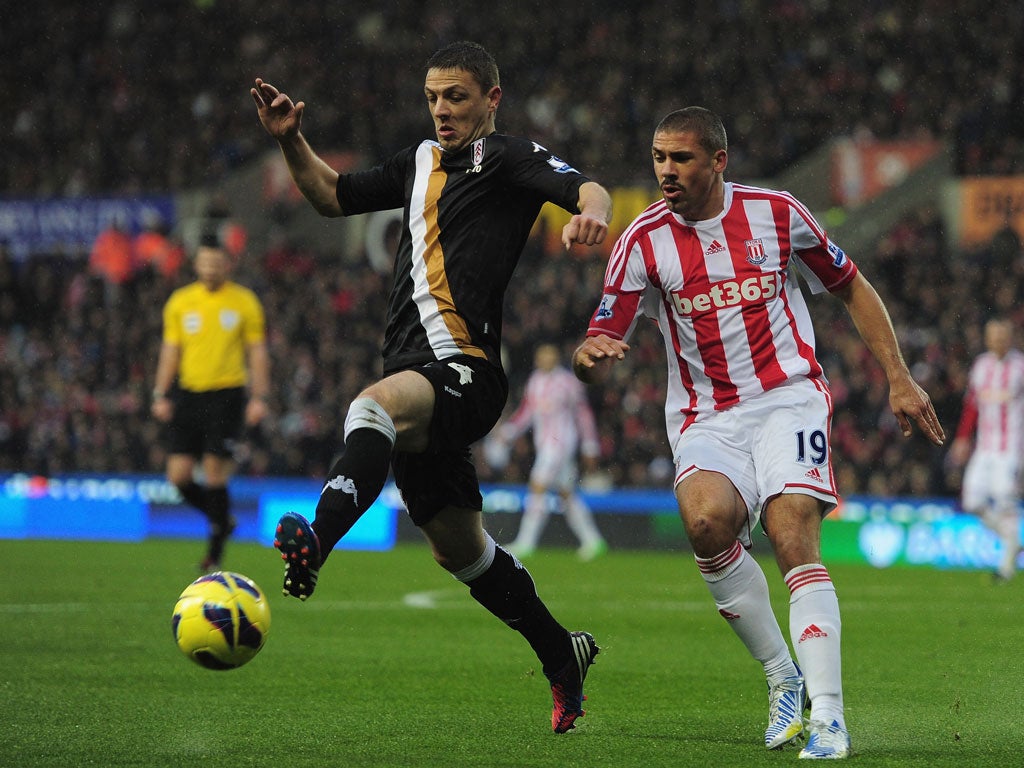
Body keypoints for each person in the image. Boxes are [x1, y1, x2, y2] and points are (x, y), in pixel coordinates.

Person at [250, 41, 612, 733]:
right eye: (434, 98)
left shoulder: (505, 158)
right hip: (419, 375)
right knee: (462, 552)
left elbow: (584, 186)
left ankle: (316, 542)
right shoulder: (418, 162)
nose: (442, 110)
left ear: (491, 99)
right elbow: (331, 195)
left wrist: (589, 212)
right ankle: (562, 653)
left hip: (468, 370)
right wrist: (292, 141)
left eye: (457, 97)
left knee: (371, 405)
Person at [572, 107, 946, 759]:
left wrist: (899, 376)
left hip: (786, 398)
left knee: (791, 527)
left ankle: (828, 716)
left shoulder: (777, 214)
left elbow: (852, 287)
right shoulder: (642, 240)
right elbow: (607, 330)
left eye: (680, 158)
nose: (666, 171)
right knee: (706, 525)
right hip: (703, 415)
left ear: (719, 161)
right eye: (658, 157)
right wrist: (591, 357)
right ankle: (782, 678)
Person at [151, 230, 270, 571]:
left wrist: (259, 397)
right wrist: (160, 393)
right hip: (189, 394)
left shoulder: (244, 301)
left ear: (227, 264)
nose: (211, 268)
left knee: (215, 470)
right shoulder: (180, 302)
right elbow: (170, 351)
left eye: (217, 262)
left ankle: (215, 549)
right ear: (196, 263)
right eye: (205, 262)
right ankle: (222, 519)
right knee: (178, 476)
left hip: (227, 396)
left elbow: (257, 352)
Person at [488, 342, 608, 560]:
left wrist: (590, 445)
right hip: (545, 444)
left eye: (548, 356)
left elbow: (583, 414)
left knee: (538, 485)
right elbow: (526, 412)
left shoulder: (568, 382)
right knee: (565, 493)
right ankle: (593, 540)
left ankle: (526, 542)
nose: (543, 360)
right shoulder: (535, 381)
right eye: (541, 357)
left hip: (561, 442)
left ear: (555, 359)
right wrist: (509, 432)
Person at [948, 317, 1024, 582]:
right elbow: (972, 406)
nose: (998, 340)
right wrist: (962, 438)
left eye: (1002, 335)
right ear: (987, 338)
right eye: (993, 336)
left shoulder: (1020, 367)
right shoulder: (981, 366)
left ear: (1010, 337)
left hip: (1011, 449)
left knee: (1005, 501)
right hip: (984, 447)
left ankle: (1006, 568)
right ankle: (1012, 541)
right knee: (971, 502)